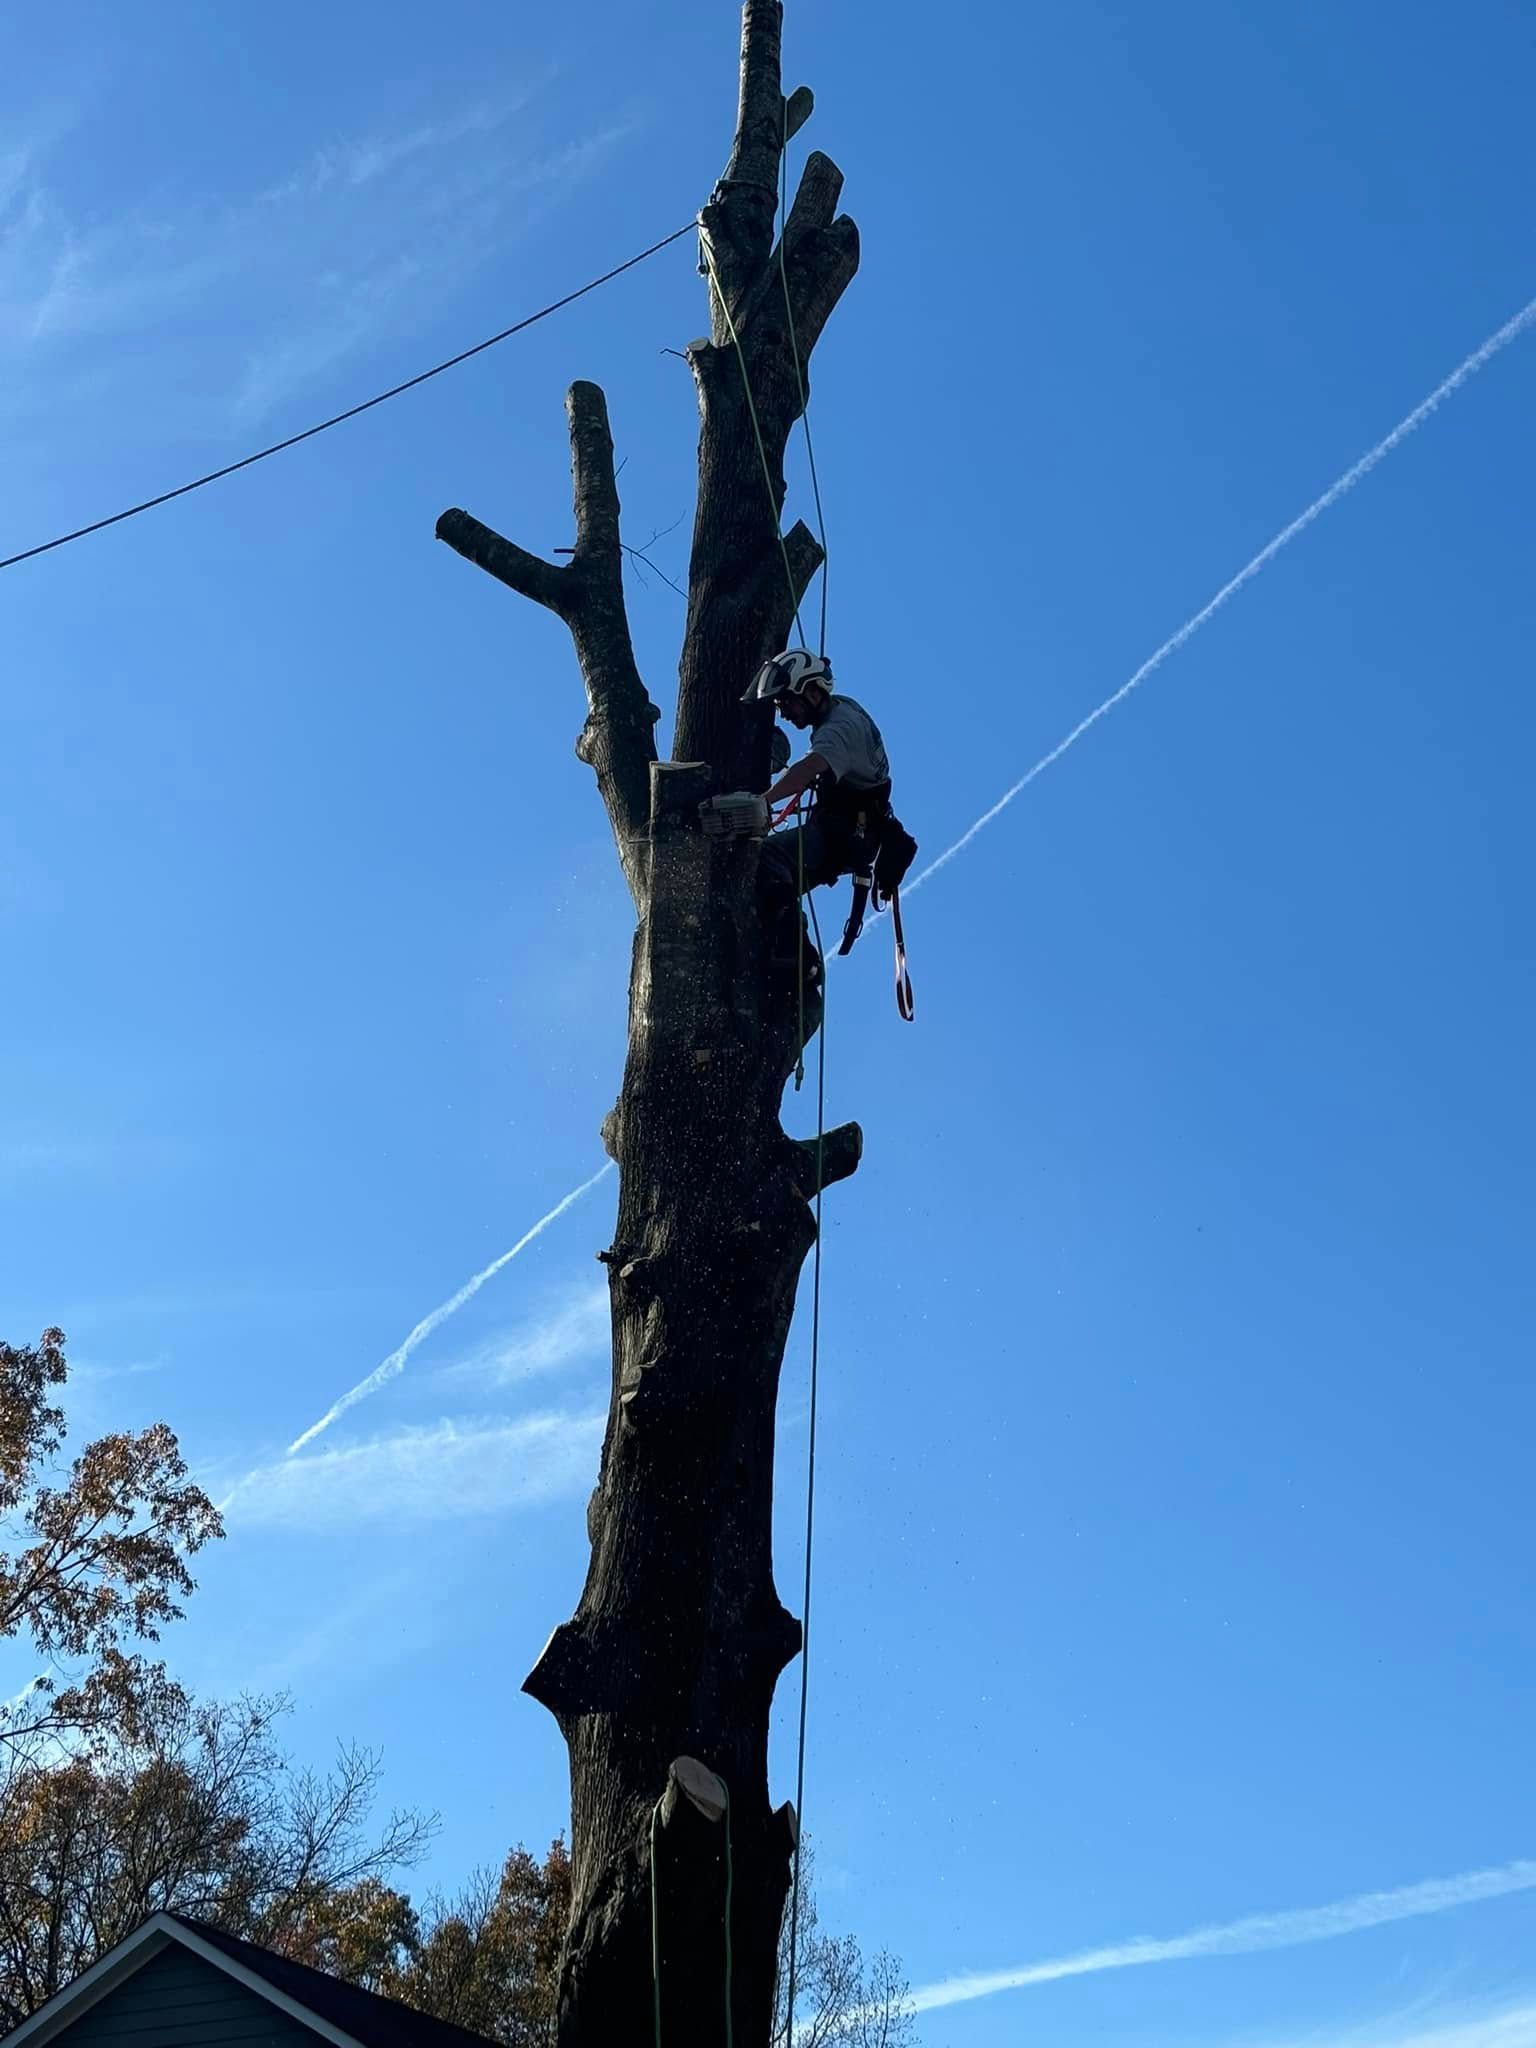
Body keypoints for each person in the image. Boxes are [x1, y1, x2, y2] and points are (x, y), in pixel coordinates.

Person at [745, 649, 916, 963]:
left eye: (786, 703)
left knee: (766, 860)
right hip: (852, 833)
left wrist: (762, 802)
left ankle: (797, 959)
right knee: (771, 890)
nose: (784, 713)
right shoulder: (842, 708)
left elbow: (806, 770)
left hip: (846, 836)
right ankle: (781, 957)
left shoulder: (839, 729)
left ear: (811, 692)